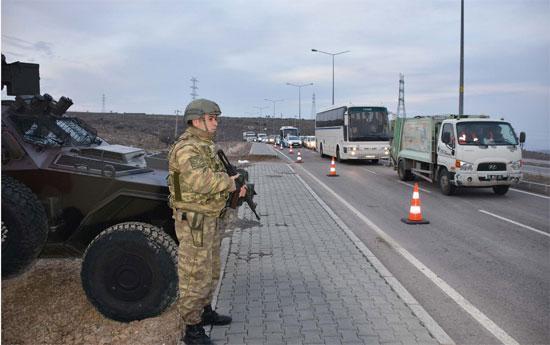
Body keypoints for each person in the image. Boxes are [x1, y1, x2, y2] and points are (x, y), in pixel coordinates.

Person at [168, 98, 246, 345]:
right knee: (194, 273)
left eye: (216, 119)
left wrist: (232, 188)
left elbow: (213, 180)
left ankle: (205, 311)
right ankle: (192, 328)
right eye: (212, 118)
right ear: (196, 121)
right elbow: (202, 181)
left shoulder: (205, 146)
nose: (216, 123)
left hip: (208, 217)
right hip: (194, 220)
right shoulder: (187, 149)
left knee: (210, 269)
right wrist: (231, 183)